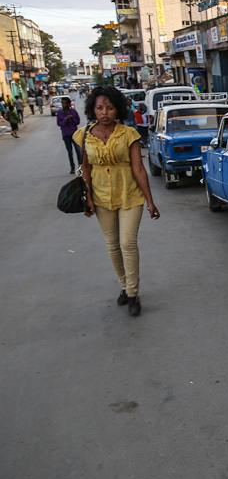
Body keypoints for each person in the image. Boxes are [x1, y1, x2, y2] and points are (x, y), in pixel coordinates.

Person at [77, 86, 160, 317]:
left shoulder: (129, 134)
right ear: (93, 109)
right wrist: (89, 198)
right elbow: (85, 168)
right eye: (100, 108)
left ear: (118, 110)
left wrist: (150, 201)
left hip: (130, 195)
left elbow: (138, 168)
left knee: (127, 243)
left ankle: (132, 293)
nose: (105, 112)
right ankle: (124, 285)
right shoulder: (83, 135)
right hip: (101, 197)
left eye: (110, 108)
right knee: (112, 245)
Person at [56, 97, 82, 173]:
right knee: (70, 152)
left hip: (75, 134)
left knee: (78, 151)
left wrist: (72, 119)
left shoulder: (73, 111)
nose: (63, 105)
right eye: (62, 103)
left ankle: (80, 168)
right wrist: (65, 119)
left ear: (69, 104)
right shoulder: (60, 113)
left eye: (65, 103)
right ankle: (72, 168)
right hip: (66, 135)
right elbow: (59, 123)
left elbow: (78, 121)